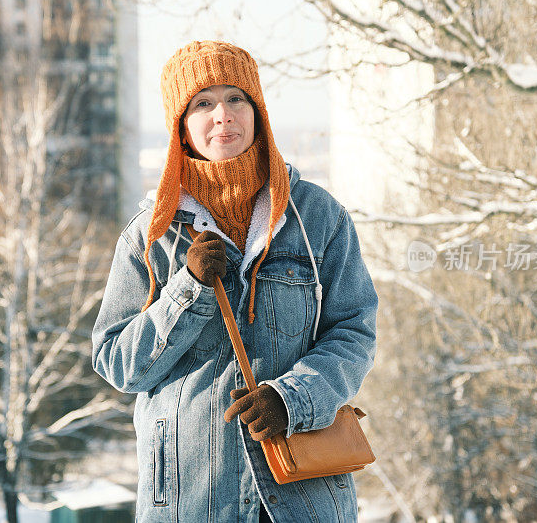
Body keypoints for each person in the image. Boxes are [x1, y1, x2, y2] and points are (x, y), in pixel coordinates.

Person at [92, 40, 378, 523]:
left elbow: (354, 331)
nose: (222, 114)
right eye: (202, 103)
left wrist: (295, 399)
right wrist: (188, 290)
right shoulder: (150, 235)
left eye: (236, 98)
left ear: (257, 111)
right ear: (180, 128)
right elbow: (117, 364)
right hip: (189, 500)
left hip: (300, 495)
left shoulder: (316, 217)